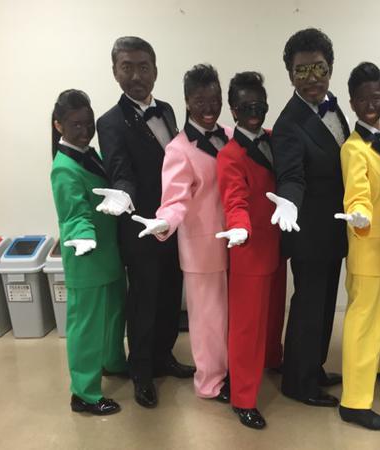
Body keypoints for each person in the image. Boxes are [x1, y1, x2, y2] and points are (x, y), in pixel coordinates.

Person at [96, 36, 194, 409]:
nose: (136, 75)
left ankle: (163, 356)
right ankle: (141, 372)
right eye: (127, 67)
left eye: (143, 67)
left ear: (155, 70)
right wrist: (123, 195)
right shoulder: (110, 122)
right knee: (143, 301)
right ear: (115, 71)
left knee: (170, 293)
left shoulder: (167, 110)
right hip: (140, 226)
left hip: (174, 223)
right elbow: (121, 171)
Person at [131, 64, 231, 403]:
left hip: (236, 243)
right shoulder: (179, 149)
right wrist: (163, 222)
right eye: (200, 101)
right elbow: (175, 200)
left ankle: (229, 370)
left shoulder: (229, 135)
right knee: (207, 322)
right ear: (187, 101)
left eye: (214, 100)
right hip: (202, 249)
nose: (208, 108)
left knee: (228, 317)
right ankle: (209, 382)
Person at [270, 28, 350, 407]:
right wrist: (288, 202)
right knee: (308, 307)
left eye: (318, 68)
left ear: (330, 68)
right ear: (290, 74)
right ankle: (298, 383)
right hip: (308, 232)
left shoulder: (334, 108)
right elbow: (291, 176)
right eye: (301, 70)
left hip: (334, 229)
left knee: (324, 303)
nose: (311, 78)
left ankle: (313, 368)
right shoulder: (288, 123)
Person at [335, 62, 380, 430]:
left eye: (376, 97)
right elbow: (357, 193)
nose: (370, 105)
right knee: (363, 323)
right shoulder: (353, 149)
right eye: (362, 99)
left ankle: (378, 367)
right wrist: (359, 213)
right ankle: (354, 402)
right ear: (351, 103)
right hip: (367, 248)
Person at [216, 71, 287, 429]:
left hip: (277, 244)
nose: (254, 112)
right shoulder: (230, 155)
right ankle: (243, 398)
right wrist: (240, 226)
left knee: (273, 315)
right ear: (233, 110)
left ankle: (272, 360)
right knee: (247, 328)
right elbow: (234, 199)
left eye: (259, 104)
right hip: (248, 250)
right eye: (245, 106)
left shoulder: (274, 139)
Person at [50, 89, 127, 415]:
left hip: (109, 253)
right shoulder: (64, 167)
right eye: (75, 125)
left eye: (88, 123)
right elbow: (74, 214)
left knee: (114, 315)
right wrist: (83, 235)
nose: (84, 131)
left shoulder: (90, 153)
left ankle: (113, 362)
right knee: (87, 325)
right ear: (59, 126)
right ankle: (84, 393)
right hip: (87, 256)